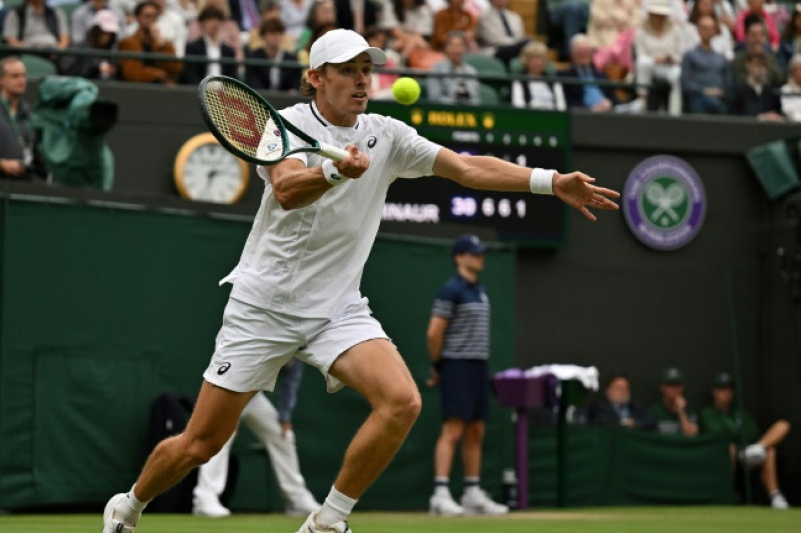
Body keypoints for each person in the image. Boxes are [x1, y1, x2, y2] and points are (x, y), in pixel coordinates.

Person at [99, 27, 620, 533]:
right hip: (264, 305)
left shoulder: (388, 134)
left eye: (367, 70)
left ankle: (328, 520)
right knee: (200, 444)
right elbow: (285, 189)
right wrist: (333, 171)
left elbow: (464, 169)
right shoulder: (282, 124)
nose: (362, 80)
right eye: (348, 70)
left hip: (337, 309)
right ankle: (128, 506)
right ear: (316, 78)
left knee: (402, 402)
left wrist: (549, 182)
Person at [426, 234, 509, 517]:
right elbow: (434, 332)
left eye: (480, 254)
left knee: (476, 430)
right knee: (453, 430)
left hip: (478, 367)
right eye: (473, 254)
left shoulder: (480, 290)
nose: (479, 258)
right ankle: (440, 495)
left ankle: (472, 494)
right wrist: (439, 366)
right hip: (456, 365)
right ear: (459, 257)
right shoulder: (451, 290)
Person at [191, 360, 320, 518]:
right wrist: (232, 412)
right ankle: (204, 498)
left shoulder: (299, 346)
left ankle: (297, 500)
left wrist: (284, 416)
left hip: (254, 396)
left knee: (283, 435)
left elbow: (290, 380)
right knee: (221, 436)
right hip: (229, 390)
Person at [700, 372, 791, 509]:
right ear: (714, 392)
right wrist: (736, 433)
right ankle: (727, 494)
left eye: (729, 389)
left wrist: (755, 447)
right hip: (728, 454)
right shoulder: (708, 413)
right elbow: (718, 433)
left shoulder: (740, 412)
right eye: (722, 389)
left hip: (749, 452)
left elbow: (752, 432)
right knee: (729, 448)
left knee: (777, 437)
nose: (727, 393)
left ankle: (775, 496)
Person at [633, 0, 686, 115]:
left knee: (678, 73)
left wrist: (671, 59)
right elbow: (640, 55)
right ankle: (642, 100)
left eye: (661, 15)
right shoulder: (641, 32)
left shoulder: (675, 30)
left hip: (669, 66)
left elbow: (682, 54)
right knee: (643, 62)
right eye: (655, 14)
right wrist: (654, 59)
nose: (658, 18)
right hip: (651, 66)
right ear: (650, 15)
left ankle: (675, 110)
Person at [118, 0, 183, 84]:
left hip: (163, 89)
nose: (151, 20)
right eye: (147, 16)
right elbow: (132, 73)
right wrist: (158, 74)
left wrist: (162, 46)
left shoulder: (164, 43)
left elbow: (175, 69)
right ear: (138, 18)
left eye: (154, 17)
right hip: (138, 89)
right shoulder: (128, 42)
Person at [681, 15, 728, 114]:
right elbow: (686, 83)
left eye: (711, 28)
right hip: (698, 99)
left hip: (720, 99)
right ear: (698, 31)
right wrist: (705, 91)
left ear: (715, 31)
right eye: (704, 28)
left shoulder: (721, 58)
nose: (708, 31)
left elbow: (727, 82)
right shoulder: (690, 56)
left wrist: (721, 92)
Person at [558, 33, 615, 111]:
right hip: (583, 117)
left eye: (586, 51)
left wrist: (610, 103)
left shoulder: (601, 75)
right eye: (580, 52)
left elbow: (614, 99)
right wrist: (592, 109)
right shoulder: (565, 76)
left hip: (608, 114)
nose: (584, 55)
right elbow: (568, 104)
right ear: (572, 54)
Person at [183, 5, 238, 84]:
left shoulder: (229, 51)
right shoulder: (192, 48)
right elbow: (191, 75)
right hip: (199, 92)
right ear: (202, 23)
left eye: (218, 19)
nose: (215, 23)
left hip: (223, 94)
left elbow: (232, 78)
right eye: (210, 19)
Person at [60, 9, 121, 79]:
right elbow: (67, 70)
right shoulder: (78, 49)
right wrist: (96, 68)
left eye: (110, 34)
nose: (106, 37)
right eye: (103, 33)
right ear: (95, 31)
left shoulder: (112, 54)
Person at [246, 17, 302, 91]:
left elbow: (295, 84)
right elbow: (253, 82)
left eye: (279, 33)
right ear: (263, 36)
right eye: (271, 33)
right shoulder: (253, 57)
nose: (276, 36)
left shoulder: (291, 58)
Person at [727, 50, 784, 120]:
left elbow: (777, 111)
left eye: (762, 64)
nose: (759, 68)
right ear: (748, 65)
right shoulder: (739, 88)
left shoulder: (770, 89)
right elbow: (735, 114)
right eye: (756, 64)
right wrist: (760, 117)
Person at [427, 31, 480, 105]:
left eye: (460, 45)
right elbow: (434, 98)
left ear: (464, 48)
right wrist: (457, 103)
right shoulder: (437, 69)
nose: (456, 49)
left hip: (469, 113)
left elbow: (476, 99)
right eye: (453, 45)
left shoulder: (471, 71)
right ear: (446, 48)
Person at [511, 40, 566, 110]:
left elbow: (561, 106)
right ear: (527, 60)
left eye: (541, 59)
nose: (539, 63)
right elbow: (518, 105)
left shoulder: (553, 81)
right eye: (535, 59)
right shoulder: (519, 80)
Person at [587, 374, 655, 430]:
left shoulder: (635, 406)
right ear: (607, 391)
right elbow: (600, 423)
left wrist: (636, 424)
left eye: (626, 388)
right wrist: (622, 423)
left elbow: (650, 423)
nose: (623, 391)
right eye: (618, 388)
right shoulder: (600, 407)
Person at [646, 367, 699, 436]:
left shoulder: (689, 410)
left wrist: (681, 412)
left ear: (683, 388)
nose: (674, 389)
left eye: (677, 385)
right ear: (662, 388)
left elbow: (691, 435)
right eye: (670, 385)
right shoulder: (653, 411)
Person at [730, 18, 782, 86]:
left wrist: (765, 64)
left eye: (760, 34)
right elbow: (736, 82)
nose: (757, 38)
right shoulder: (738, 60)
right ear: (746, 36)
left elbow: (778, 81)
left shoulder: (770, 58)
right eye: (753, 35)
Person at [2, 0, 70, 49]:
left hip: (53, 51)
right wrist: (29, 49)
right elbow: (10, 39)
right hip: (27, 51)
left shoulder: (57, 13)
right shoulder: (15, 13)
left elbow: (64, 38)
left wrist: (57, 51)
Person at [476, 0, 527, 65]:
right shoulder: (484, 15)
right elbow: (492, 39)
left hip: (516, 49)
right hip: (495, 50)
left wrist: (518, 44)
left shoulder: (515, 17)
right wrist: (516, 44)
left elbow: (521, 37)